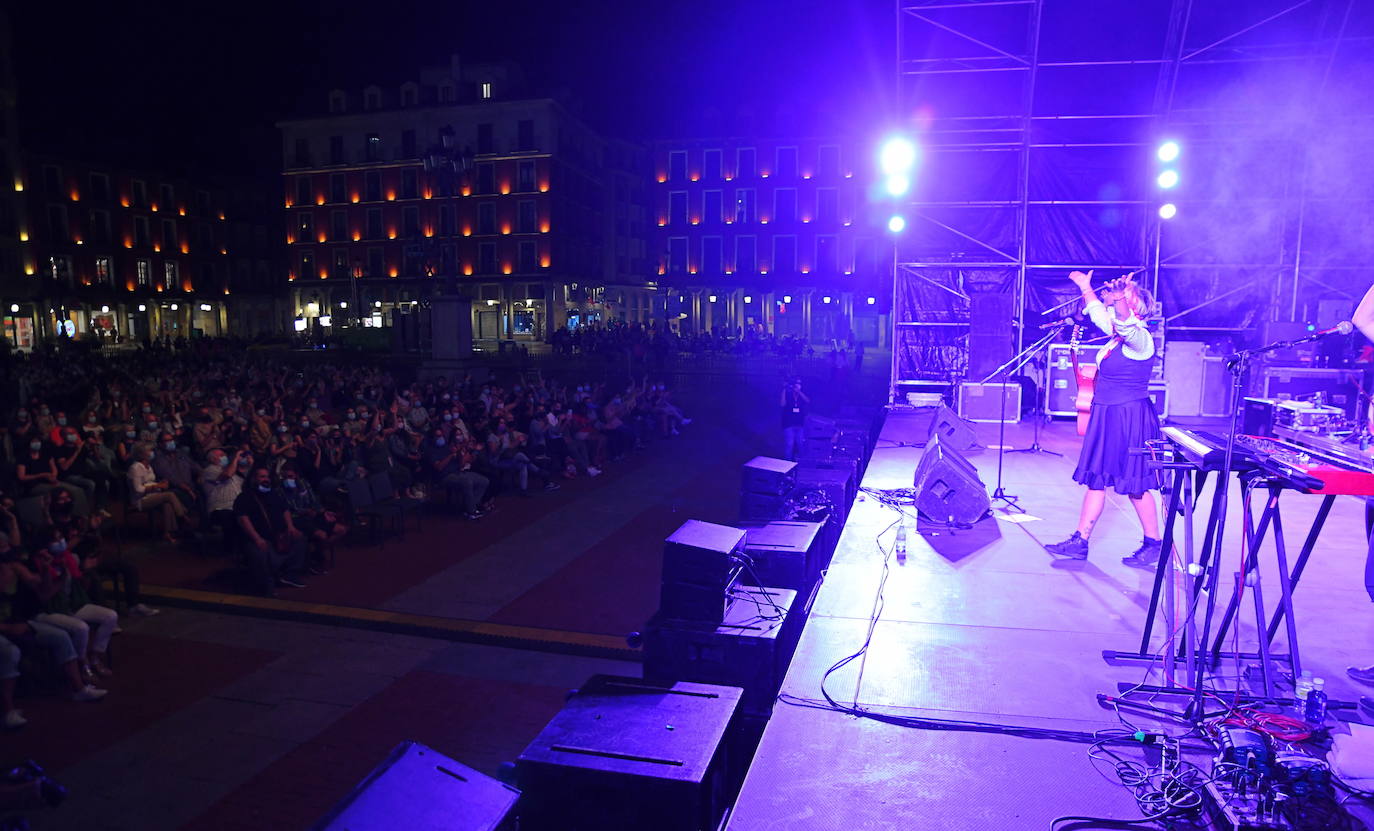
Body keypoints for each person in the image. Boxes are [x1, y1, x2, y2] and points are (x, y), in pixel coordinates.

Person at [1044, 270, 1163, 564]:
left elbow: (1126, 326)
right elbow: (1100, 314)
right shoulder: (1114, 338)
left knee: (1135, 484)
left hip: (1129, 417)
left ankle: (1153, 543)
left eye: (1124, 297)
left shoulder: (1141, 339)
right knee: (1096, 479)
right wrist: (1086, 287)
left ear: (1136, 307)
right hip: (1107, 415)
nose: (1114, 299)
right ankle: (1080, 541)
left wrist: (1121, 298)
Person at [233, 466, 307, 595]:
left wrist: (290, 527)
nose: (266, 479)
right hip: (257, 537)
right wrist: (257, 538)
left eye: (267, 477)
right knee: (260, 553)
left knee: (299, 539)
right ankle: (267, 584)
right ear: (253, 479)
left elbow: (285, 510)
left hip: (278, 535)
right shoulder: (244, 497)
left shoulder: (273, 494)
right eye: (262, 477)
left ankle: (289, 575)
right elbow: (243, 519)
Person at [781, 377, 809, 461]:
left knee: (801, 445)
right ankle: (787, 466)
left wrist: (799, 392)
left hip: (800, 424)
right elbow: (782, 404)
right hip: (788, 424)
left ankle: (801, 464)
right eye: (796, 384)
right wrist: (784, 389)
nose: (797, 386)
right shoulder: (788, 394)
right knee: (789, 444)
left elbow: (807, 401)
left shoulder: (801, 395)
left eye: (799, 384)